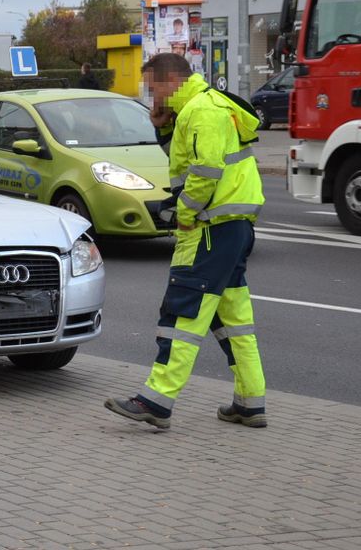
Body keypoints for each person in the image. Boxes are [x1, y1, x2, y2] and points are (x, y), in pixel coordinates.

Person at [105, 53, 266, 430]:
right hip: (230, 227)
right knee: (234, 321)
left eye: (152, 87)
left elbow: (205, 172)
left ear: (170, 80)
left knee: (182, 313)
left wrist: (185, 215)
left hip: (210, 229)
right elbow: (189, 160)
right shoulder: (199, 107)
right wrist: (162, 128)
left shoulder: (201, 110)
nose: (150, 95)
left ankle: (155, 401)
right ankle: (250, 402)